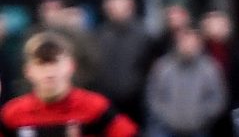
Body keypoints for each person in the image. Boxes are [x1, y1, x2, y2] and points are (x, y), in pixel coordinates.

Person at [2, 33, 137, 137]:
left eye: (55, 63)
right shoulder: (11, 115)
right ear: (28, 71)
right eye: (41, 65)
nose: (49, 73)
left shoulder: (95, 109)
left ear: (71, 66)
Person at [145, 26, 226, 137]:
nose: (188, 46)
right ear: (177, 43)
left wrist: (201, 117)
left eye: (192, 42)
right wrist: (166, 116)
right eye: (184, 42)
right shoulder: (163, 66)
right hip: (165, 129)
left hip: (199, 129)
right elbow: (152, 95)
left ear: (199, 44)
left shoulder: (210, 68)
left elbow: (218, 98)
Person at [95, 0, 151, 125]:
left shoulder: (143, 35)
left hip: (136, 102)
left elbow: (149, 67)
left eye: (120, 5)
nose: (116, 9)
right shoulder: (99, 35)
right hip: (107, 101)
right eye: (112, 6)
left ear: (130, 7)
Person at [37, 0, 99, 88]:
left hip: (75, 87)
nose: (51, 14)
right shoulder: (34, 35)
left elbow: (91, 64)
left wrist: (75, 82)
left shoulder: (77, 36)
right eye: (47, 9)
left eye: (56, 9)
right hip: (41, 88)